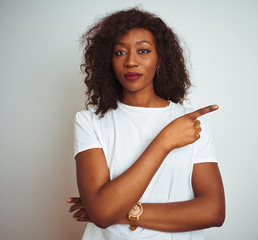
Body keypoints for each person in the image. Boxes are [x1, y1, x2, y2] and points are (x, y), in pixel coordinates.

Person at [67, 7, 225, 240]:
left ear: (160, 57)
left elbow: (213, 211)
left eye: (143, 51)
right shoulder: (90, 121)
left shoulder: (190, 123)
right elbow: (101, 213)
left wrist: (120, 212)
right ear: (108, 60)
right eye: (120, 53)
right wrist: (164, 141)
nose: (131, 61)